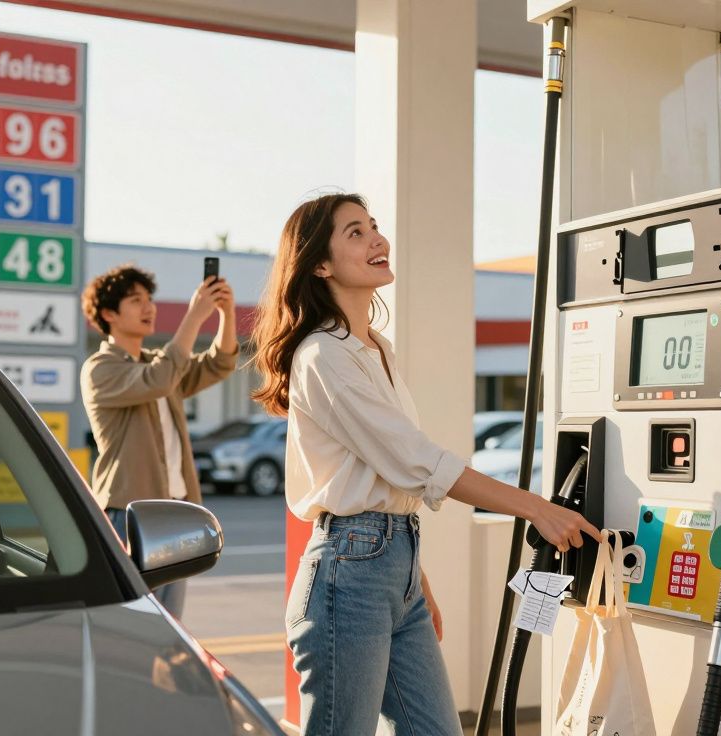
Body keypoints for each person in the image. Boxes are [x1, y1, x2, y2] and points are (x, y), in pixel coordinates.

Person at [251, 193, 601, 736]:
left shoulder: (375, 349)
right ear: (319, 264)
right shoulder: (322, 355)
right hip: (349, 574)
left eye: (374, 227)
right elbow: (416, 461)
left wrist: (415, 577)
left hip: (393, 565)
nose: (377, 240)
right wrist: (536, 508)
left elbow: (392, 477)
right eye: (355, 233)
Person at [80, 263, 237, 619]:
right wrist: (194, 316)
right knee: (134, 619)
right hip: (129, 514)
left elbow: (218, 364)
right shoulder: (100, 368)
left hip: (176, 511)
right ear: (108, 313)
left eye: (149, 299)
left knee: (169, 623)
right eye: (136, 300)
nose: (148, 307)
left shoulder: (158, 362)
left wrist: (225, 314)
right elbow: (160, 379)